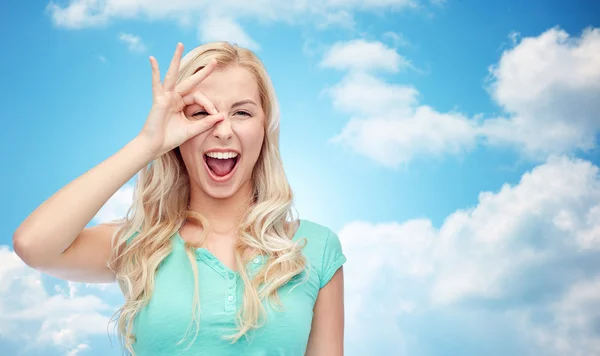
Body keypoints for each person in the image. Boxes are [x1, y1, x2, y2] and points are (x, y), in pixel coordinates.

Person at [12, 41, 346, 355]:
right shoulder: (139, 244)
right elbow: (33, 245)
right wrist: (148, 143)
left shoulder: (314, 248)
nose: (223, 129)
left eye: (242, 113)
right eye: (201, 113)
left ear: (264, 128)